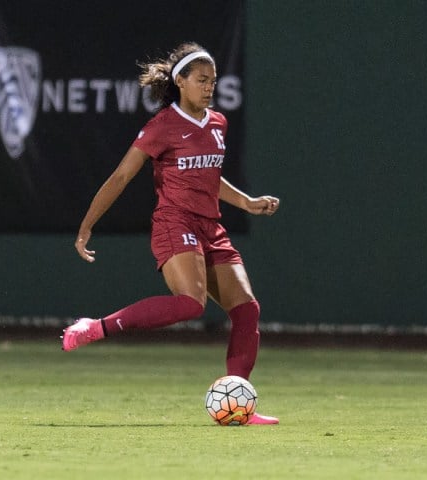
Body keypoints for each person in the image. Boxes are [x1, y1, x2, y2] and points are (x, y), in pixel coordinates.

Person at [61, 42, 281, 425]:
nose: (209, 87)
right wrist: (87, 225)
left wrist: (246, 202)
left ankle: (236, 406)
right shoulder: (162, 126)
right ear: (180, 81)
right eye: (201, 80)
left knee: (247, 311)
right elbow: (121, 176)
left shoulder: (217, 123)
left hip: (210, 226)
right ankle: (96, 328)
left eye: (213, 80)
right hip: (174, 223)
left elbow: (208, 176)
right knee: (190, 304)